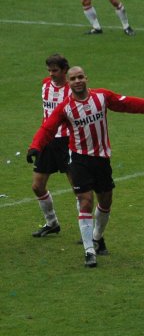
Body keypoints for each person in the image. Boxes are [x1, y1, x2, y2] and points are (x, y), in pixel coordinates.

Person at [27, 66, 144, 268]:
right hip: (79, 159)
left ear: (86, 78)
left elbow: (129, 104)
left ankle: (97, 237)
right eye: (73, 79)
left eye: (80, 77)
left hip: (101, 159)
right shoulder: (65, 107)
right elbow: (48, 127)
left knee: (106, 201)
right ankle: (89, 250)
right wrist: (35, 146)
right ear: (69, 82)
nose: (77, 81)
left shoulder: (102, 97)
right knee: (85, 201)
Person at [30, 54, 74, 237]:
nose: (51, 74)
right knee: (37, 186)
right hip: (48, 141)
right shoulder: (45, 84)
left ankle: (90, 234)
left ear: (64, 70)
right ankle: (52, 223)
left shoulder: (74, 89)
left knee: (79, 189)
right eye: (49, 70)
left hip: (67, 142)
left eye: (55, 70)